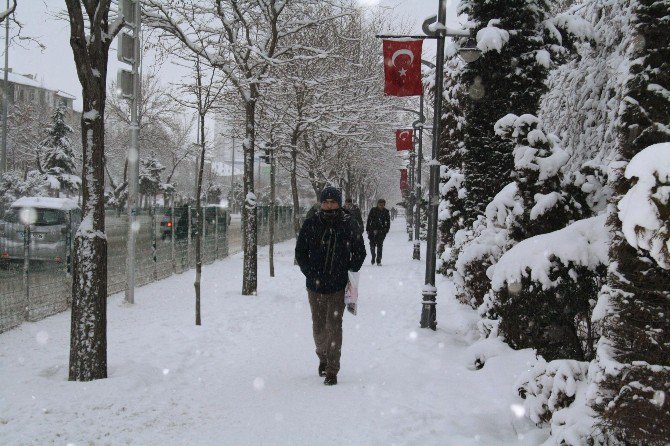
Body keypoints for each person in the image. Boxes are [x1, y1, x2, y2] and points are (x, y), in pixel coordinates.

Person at [295, 186, 366, 386]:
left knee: (334, 326)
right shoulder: (311, 223)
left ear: (339, 203)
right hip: (315, 286)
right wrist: (310, 272)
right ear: (321, 203)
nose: (329, 205)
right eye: (325, 202)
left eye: (333, 202)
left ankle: (332, 369)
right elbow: (300, 252)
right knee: (318, 328)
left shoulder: (349, 223)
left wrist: (349, 272)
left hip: (338, 285)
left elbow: (360, 252)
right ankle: (323, 357)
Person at [366, 198, 391, 266]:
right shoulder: (373, 210)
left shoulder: (386, 212)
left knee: (380, 246)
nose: (381, 206)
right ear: (377, 204)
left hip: (381, 231)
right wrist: (367, 229)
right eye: (380, 204)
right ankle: (373, 256)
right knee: (372, 245)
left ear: (384, 205)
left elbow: (388, 222)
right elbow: (369, 220)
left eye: (382, 205)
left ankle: (378, 260)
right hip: (372, 230)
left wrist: (386, 230)